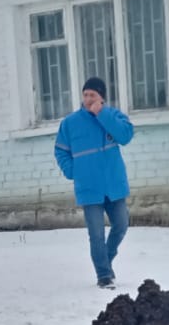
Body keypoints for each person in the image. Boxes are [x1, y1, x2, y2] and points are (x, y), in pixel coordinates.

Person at [54, 75, 135, 289]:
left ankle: (105, 261)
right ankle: (104, 275)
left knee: (121, 225)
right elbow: (60, 150)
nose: (88, 99)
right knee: (96, 234)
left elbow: (125, 136)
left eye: (93, 95)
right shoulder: (70, 123)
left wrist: (102, 114)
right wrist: (73, 171)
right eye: (86, 95)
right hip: (89, 188)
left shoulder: (113, 116)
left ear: (102, 98)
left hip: (114, 185)